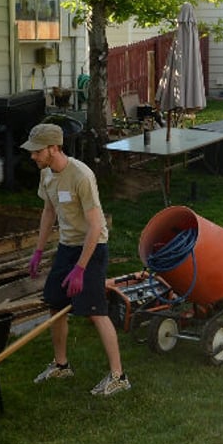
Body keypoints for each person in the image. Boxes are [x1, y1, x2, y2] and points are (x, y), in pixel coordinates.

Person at [23, 124, 130, 397]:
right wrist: (37, 251)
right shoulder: (46, 174)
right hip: (67, 246)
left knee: (96, 311)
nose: (33, 156)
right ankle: (61, 365)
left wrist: (81, 269)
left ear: (54, 148)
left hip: (93, 247)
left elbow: (95, 226)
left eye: (37, 151)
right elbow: (49, 212)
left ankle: (119, 376)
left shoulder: (81, 175)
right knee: (55, 304)